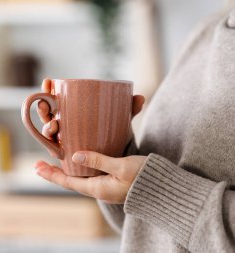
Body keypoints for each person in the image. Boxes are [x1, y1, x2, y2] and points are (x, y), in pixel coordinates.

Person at [34, 2, 235, 252]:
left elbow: (158, 196)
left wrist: (156, 191)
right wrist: (113, 154)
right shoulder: (205, 31)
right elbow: (144, 230)